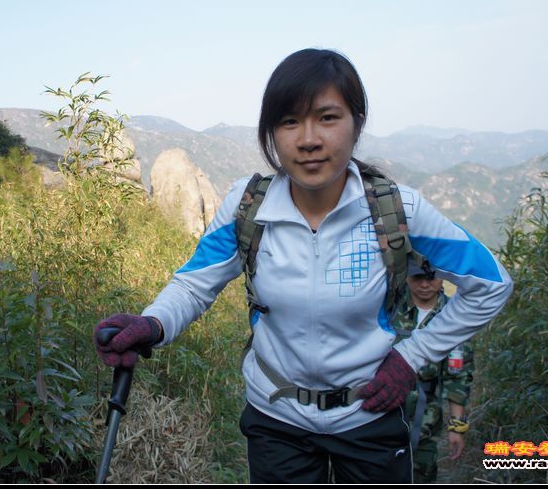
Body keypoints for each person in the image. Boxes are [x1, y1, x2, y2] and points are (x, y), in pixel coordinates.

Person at [93, 48, 513, 483]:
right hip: (276, 419)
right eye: (289, 121)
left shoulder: (396, 211)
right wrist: (153, 323)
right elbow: (195, 285)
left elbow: (492, 284)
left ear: (357, 123)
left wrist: (412, 357)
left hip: (369, 413)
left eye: (327, 118)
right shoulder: (248, 208)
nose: (308, 139)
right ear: (271, 132)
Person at [394, 274, 474, 483]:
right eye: (417, 278)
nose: (424, 284)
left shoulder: (453, 314)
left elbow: (458, 376)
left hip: (425, 417)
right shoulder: (390, 307)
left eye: (431, 278)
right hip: (384, 408)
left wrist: (456, 428)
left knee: (421, 472)